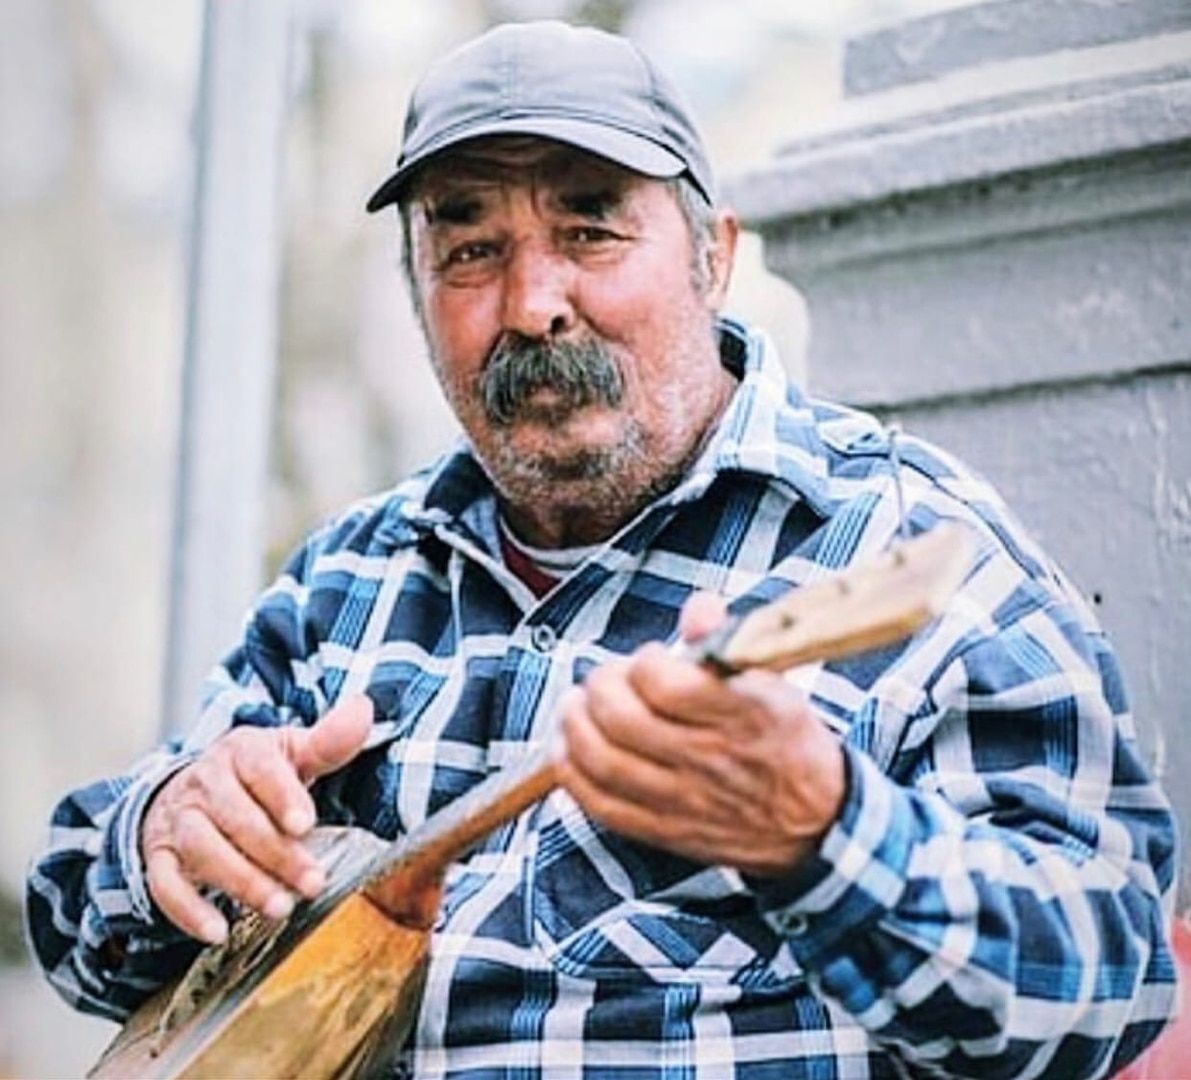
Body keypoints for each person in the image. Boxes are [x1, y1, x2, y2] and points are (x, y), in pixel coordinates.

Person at [27, 19, 1176, 1080]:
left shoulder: (908, 541)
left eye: (591, 229)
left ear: (714, 256)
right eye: (470, 249)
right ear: (418, 295)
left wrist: (824, 835)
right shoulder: (349, 582)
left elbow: (1109, 989)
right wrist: (163, 834)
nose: (533, 303)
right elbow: (71, 927)